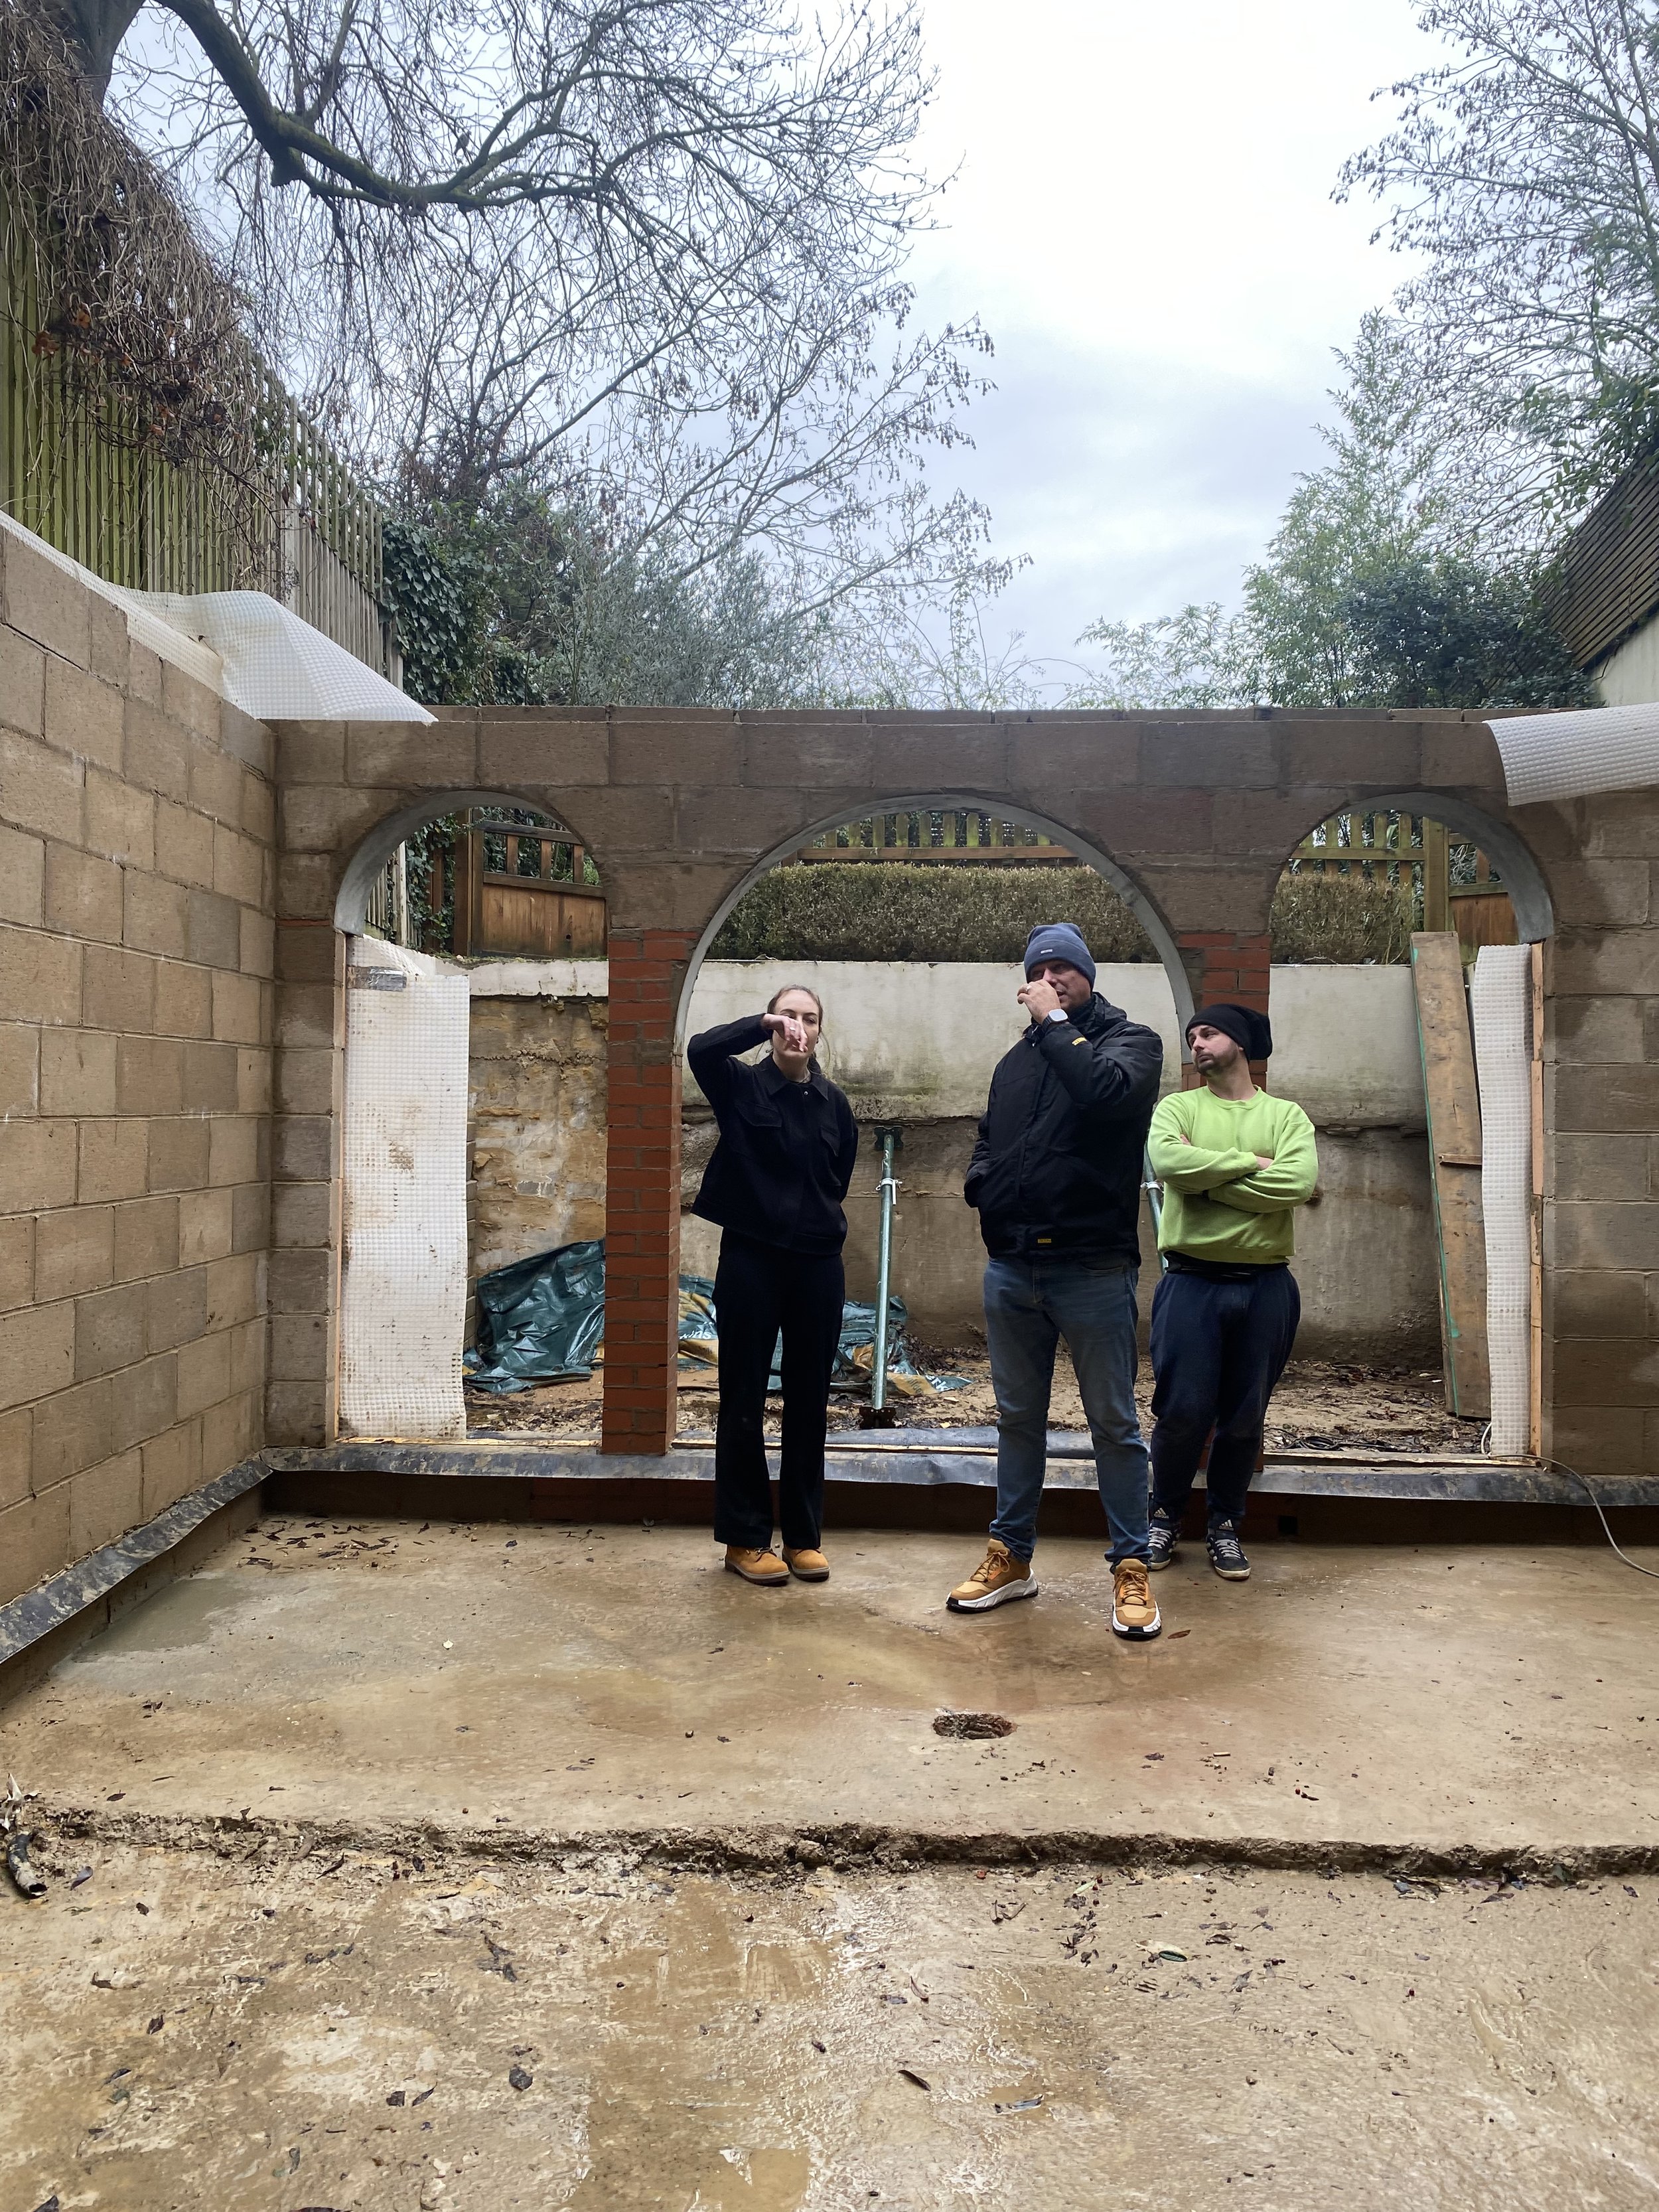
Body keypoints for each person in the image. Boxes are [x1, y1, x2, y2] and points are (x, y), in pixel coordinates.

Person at [947, 922, 1165, 1640]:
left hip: (1093, 1270)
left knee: (1113, 1424)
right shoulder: (1017, 1061)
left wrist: (1055, 1024)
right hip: (1012, 1269)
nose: (1049, 976)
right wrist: (982, 1183)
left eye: (1063, 969)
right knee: (1016, 1420)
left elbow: (1104, 1095)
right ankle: (1011, 1558)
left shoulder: (1130, 1043)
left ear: (1085, 978)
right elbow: (989, 1135)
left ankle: (1130, 1568)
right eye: (1038, 969)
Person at [687, 986, 858, 1588]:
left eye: (810, 1019)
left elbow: (838, 1176)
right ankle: (745, 1537)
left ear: (819, 1030)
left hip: (817, 1265)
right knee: (742, 1398)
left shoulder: (835, 1103)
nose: (799, 1028)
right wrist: (757, 1025)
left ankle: (804, 1538)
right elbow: (701, 1050)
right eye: (789, 1016)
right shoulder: (741, 1086)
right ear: (773, 1023)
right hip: (752, 1261)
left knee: (810, 1400)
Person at [1144, 1003, 1317, 1582]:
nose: (1196, 1042)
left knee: (1245, 1418)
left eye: (1209, 1032)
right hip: (1191, 1282)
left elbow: (1296, 1182)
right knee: (1181, 1412)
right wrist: (1248, 1165)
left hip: (1266, 1285)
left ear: (1240, 1044)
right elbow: (1169, 1161)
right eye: (1192, 1035)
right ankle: (1163, 1516)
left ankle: (1225, 1525)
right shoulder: (1177, 1107)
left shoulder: (1286, 1115)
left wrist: (1208, 1186)